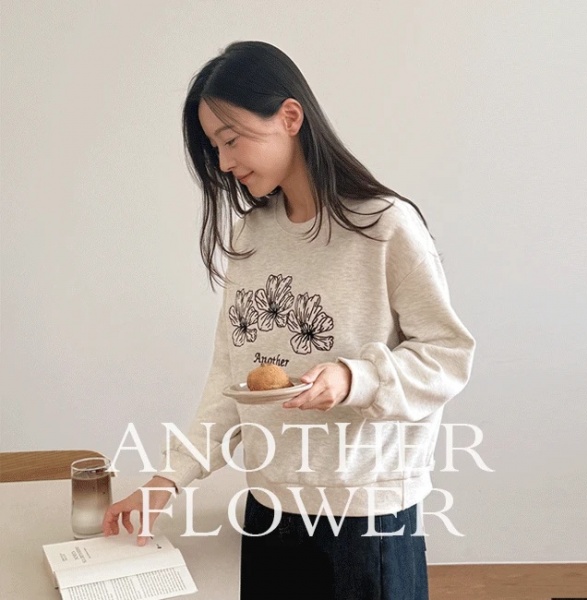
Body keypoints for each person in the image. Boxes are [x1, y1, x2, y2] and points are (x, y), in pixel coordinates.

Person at [103, 40, 476, 600]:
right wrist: (168, 480)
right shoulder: (252, 235)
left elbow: (448, 355)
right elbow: (230, 379)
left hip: (365, 517)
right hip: (270, 510)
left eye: (231, 139)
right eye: (214, 147)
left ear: (290, 117)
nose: (223, 162)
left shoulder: (386, 226)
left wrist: (354, 378)